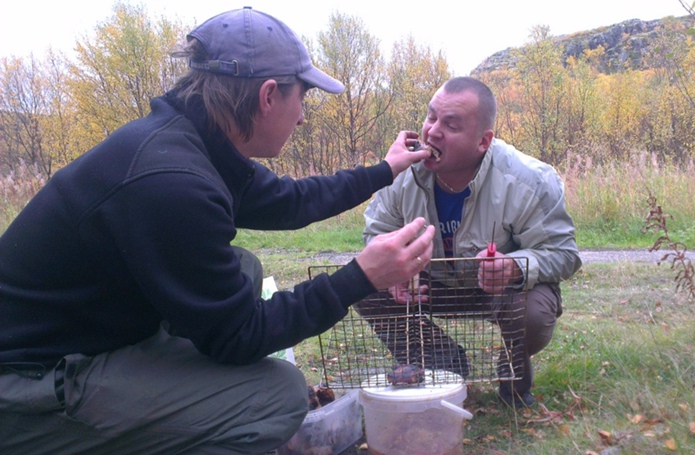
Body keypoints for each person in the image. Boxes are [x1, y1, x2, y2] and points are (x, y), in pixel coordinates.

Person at [0, 7, 435, 455]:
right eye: (302, 97)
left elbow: (291, 201)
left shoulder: (196, 141)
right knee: (274, 397)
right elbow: (240, 335)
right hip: (27, 384)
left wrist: (385, 169)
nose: (302, 116)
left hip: (82, 334)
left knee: (242, 269)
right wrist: (360, 277)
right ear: (269, 95)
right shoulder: (173, 183)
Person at [362, 77, 582, 407]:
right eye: (430, 117)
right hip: (430, 286)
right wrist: (393, 272)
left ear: (483, 141)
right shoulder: (400, 172)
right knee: (360, 281)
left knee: (533, 311)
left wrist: (514, 267)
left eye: (451, 125)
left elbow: (564, 254)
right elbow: (375, 236)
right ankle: (444, 362)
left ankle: (513, 378)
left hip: (499, 291)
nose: (432, 132)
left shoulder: (529, 179)